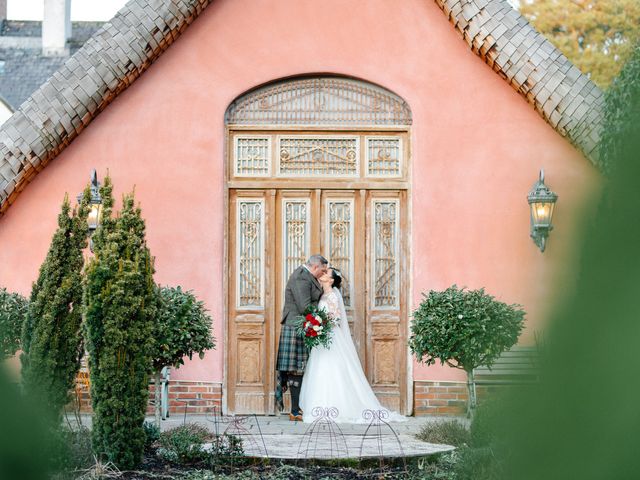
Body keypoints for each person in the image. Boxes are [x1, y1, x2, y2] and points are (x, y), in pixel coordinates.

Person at [300, 268, 405, 423]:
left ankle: (338, 407)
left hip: (330, 336)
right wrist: (314, 324)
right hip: (322, 338)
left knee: (332, 367)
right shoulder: (322, 295)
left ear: (331, 280)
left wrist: (320, 324)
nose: (322, 274)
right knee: (321, 368)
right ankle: (320, 406)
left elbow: (336, 318)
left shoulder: (333, 296)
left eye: (326, 273)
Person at [275, 254, 328, 421]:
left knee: (300, 369)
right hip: (295, 326)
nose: (323, 273)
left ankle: (298, 408)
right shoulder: (301, 277)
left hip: (302, 327)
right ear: (315, 267)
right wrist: (324, 309)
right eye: (322, 270)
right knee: (295, 370)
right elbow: (304, 306)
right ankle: (295, 410)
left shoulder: (308, 277)